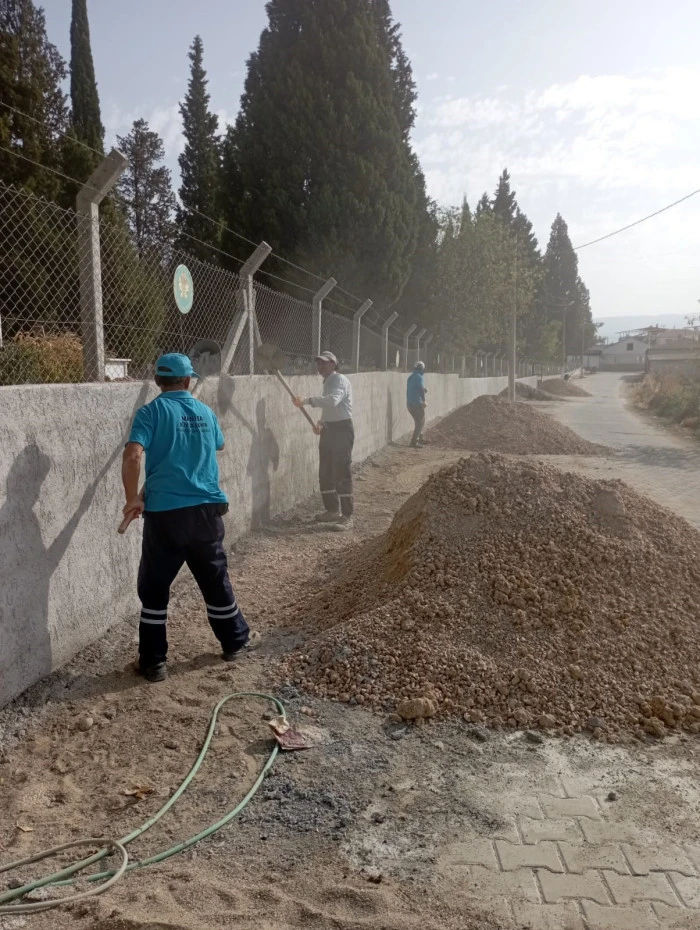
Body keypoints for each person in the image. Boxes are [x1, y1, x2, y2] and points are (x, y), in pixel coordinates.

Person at [122, 353, 253, 682]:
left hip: (165, 514)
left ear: (157, 381)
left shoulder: (150, 412)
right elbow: (219, 444)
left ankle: (153, 663)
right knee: (214, 578)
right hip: (206, 510)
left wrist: (131, 498)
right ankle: (235, 642)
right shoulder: (205, 412)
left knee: (155, 586)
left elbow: (133, 454)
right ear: (187, 380)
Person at [293, 351, 354, 530]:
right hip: (329, 429)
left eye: (325, 363)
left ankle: (347, 516)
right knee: (325, 472)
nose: (321, 366)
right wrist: (321, 422)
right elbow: (331, 409)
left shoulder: (339, 379)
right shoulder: (328, 382)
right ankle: (332, 510)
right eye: (319, 363)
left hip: (342, 430)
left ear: (333, 364)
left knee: (342, 472)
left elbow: (333, 401)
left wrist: (307, 400)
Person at [406, 361, 428, 448]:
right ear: (422, 369)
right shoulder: (419, 377)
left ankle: (420, 438)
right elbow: (421, 389)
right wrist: (424, 400)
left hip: (409, 404)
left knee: (419, 421)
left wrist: (422, 389)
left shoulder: (411, 377)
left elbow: (413, 388)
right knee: (420, 422)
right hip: (416, 404)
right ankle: (414, 442)